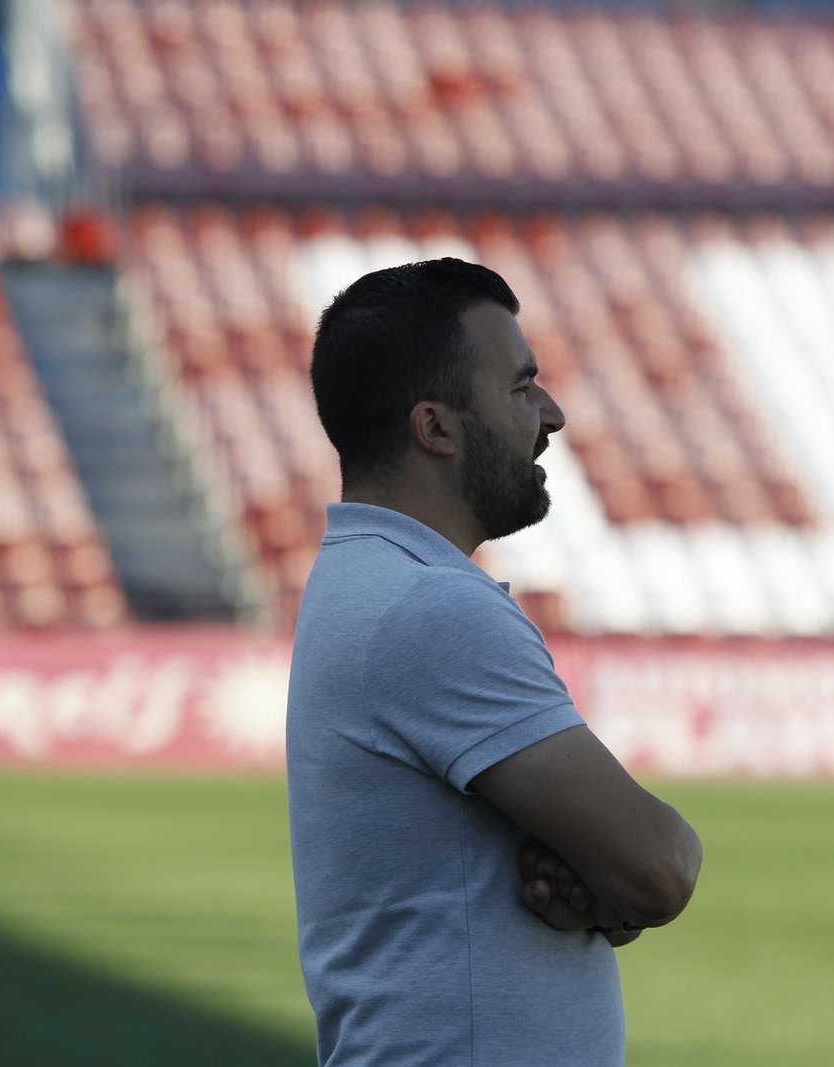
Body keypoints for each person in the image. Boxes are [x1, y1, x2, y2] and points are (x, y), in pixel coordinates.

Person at [286, 258, 703, 1067]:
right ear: (436, 427)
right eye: (519, 387)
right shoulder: (429, 606)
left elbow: (620, 875)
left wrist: (603, 884)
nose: (550, 413)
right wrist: (620, 881)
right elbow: (660, 865)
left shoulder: (365, 575)